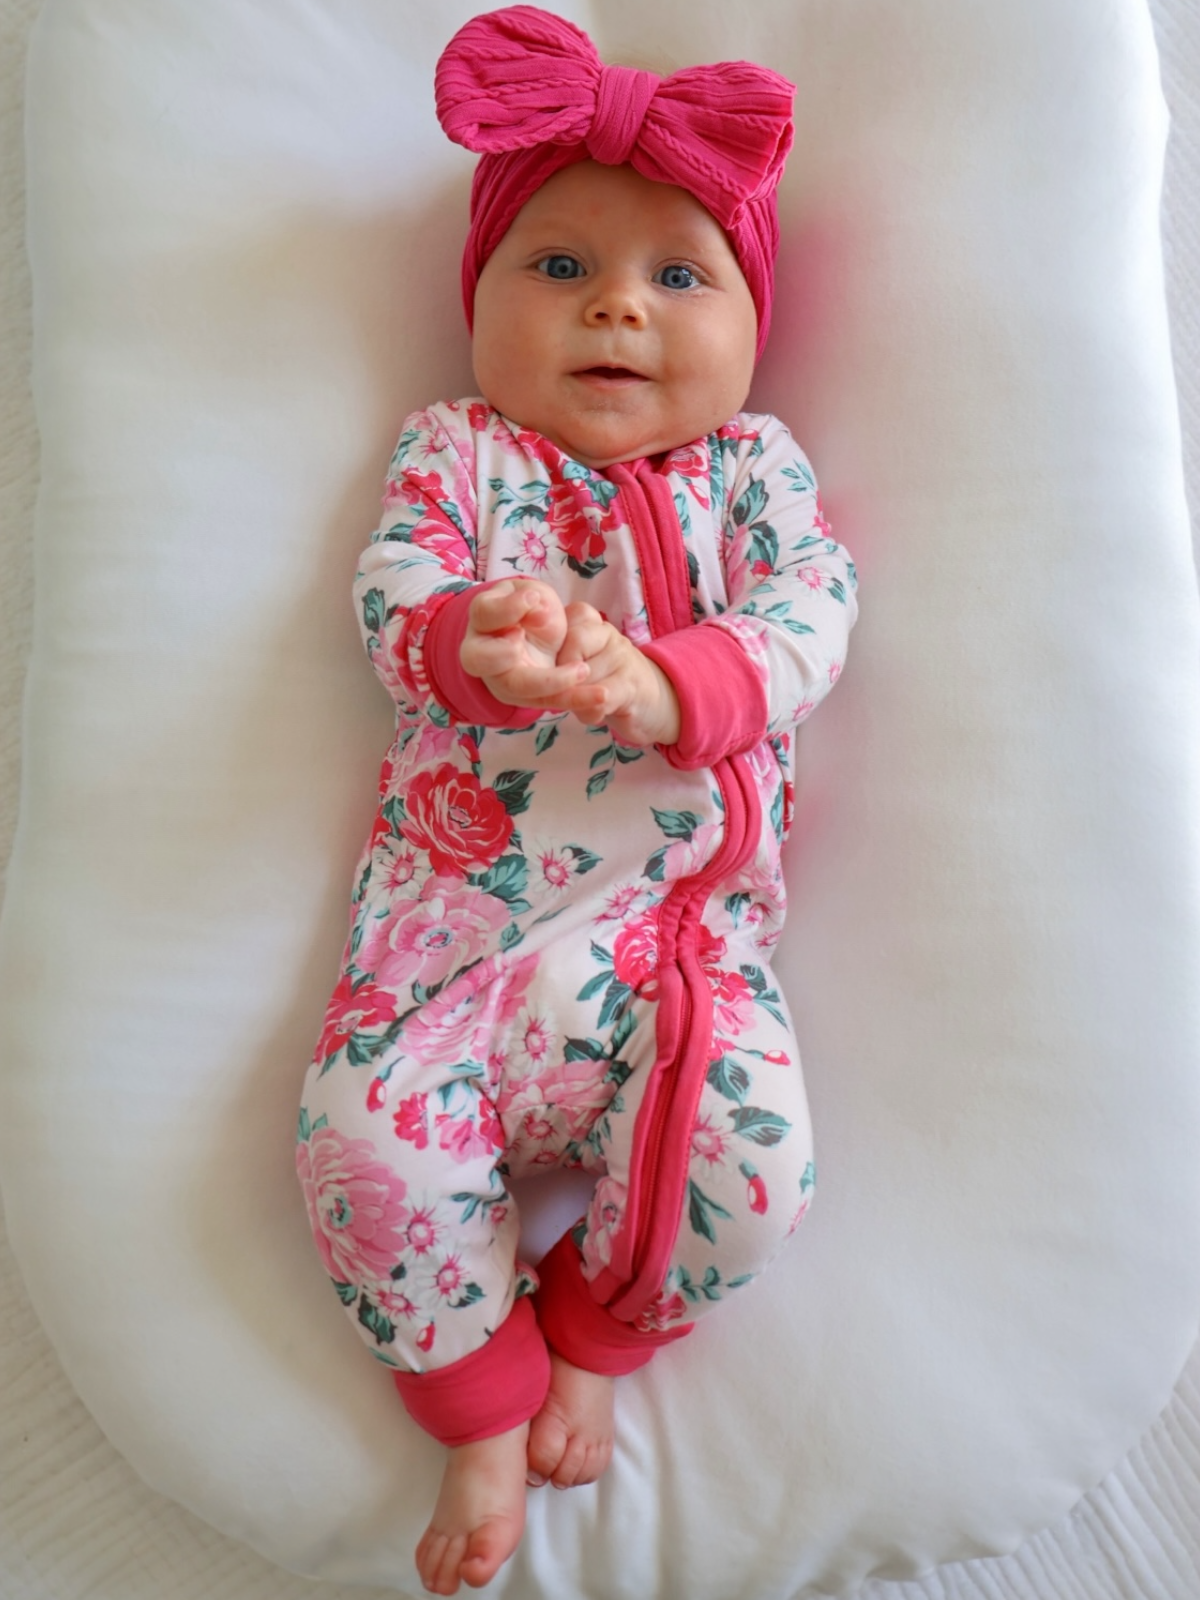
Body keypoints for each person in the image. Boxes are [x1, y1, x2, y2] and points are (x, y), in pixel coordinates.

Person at [295, 7, 857, 1593]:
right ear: (477, 305)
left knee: (758, 1184)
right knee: (356, 1147)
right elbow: (393, 590)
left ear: (755, 322)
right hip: (450, 952)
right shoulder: (460, 451)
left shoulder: (754, 473)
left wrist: (667, 686)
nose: (617, 303)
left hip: (679, 958)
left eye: (681, 276)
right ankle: (476, 1396)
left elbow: (815, 613)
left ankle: (597, 1332)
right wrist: (477, 635)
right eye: (557, 268)